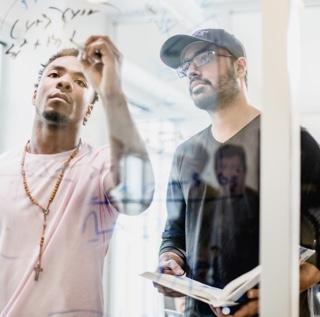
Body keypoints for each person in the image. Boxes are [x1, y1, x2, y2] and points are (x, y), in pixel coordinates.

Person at [155, 28, 320, 317]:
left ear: (240, 66)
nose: (192, 70)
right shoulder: (186, 154)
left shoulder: (291, 141)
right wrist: (170, 260)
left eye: (204, 57)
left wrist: (305, 276)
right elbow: (175, 233)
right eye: (186, 66)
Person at [0, 35, 154, 316]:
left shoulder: (100, 165)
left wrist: (112, 92)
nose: (64, 82)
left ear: (89, 110)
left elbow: (138, 196)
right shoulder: (3, 168)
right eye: (54, 74)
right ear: (35, 94)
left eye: (80, 82)